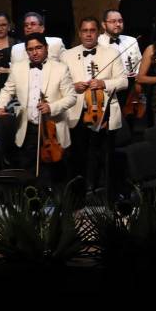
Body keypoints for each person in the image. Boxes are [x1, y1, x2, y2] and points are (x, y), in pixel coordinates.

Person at [0, 33, 74, 188]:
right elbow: (7, 90)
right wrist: (0, 106)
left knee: (56, 175)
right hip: (27, 128)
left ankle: (56, 201)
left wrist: (51, 107)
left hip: (53, 129)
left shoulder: (60, 68)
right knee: (29, 173)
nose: (34, 52)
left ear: (46, 48)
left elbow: (71, 97)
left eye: (38, 48)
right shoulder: (18, 68)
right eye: (30, 49)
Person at [63, 17, 126, 192]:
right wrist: (73, 86)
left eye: (92, 30)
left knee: (104, 157)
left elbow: (123, 82)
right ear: (79, 33)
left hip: (104, 113)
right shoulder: (66, 55)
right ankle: (80, 194)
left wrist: (103, 83)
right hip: (77, 113)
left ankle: (103, 194)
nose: (88, 34)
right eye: (85, 31)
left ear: (98, 32)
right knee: (78, 156)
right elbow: (60, 85)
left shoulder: (112, 53)